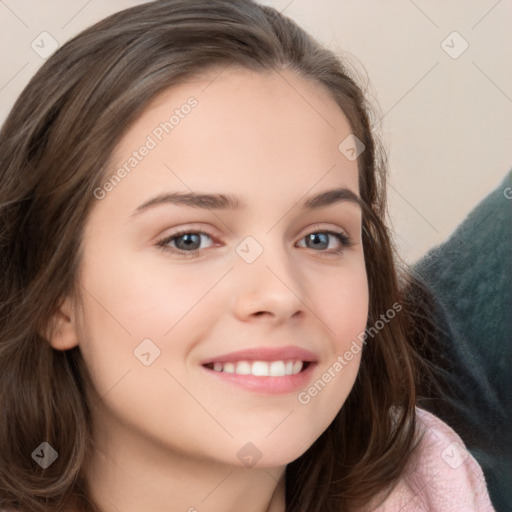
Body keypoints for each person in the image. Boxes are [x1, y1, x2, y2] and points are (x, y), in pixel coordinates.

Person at [0, 1, 495, 511]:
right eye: (189, 239)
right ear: (53, 297)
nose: (281, 294)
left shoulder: (433, 485)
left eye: (321, 238)